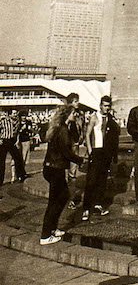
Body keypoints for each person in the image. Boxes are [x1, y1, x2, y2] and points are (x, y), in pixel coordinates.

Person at [40, 105, 85, 245]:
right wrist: (80, 160)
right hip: (56, 168)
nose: (75, 115)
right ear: (67, 115)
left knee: (61, 196)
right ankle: (46, 235)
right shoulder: (63, 130)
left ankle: (52, 229)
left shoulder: (58, 128)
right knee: (55, 201)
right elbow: (66, 151)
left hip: (51, 168)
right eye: (73, 113)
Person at [81, 96, 120, 221]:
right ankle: (86, 208)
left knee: (102, 180)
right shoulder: (94, 117)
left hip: (105, 152)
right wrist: (90, 150)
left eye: (108, 106)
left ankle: (98, 204)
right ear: (100, 105)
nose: (106, 108)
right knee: (91, 180)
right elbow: (87, 134)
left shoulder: (109, 118)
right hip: (96, 151)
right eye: (104, 105)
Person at [66, 93, 84, 209]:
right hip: (68, 145)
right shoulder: (67, 115)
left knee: (73, 173)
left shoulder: (79, 114)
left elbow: (81, 129)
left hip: (75, 144)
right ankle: (69, 198)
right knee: (69, 173)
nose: (77, 103)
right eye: (75, 101)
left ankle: (70, 198)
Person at [0, 110, 26, 186]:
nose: (15, 115)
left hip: (12, 141)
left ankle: (21, 175)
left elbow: (17, 132)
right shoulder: (4, 121)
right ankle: (0, 180)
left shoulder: (17, 122)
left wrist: (17, 141)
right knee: (1, 161)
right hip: (4, 141)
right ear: (10, 114)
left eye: (16, 113)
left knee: (18, 158)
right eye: (14, 113)